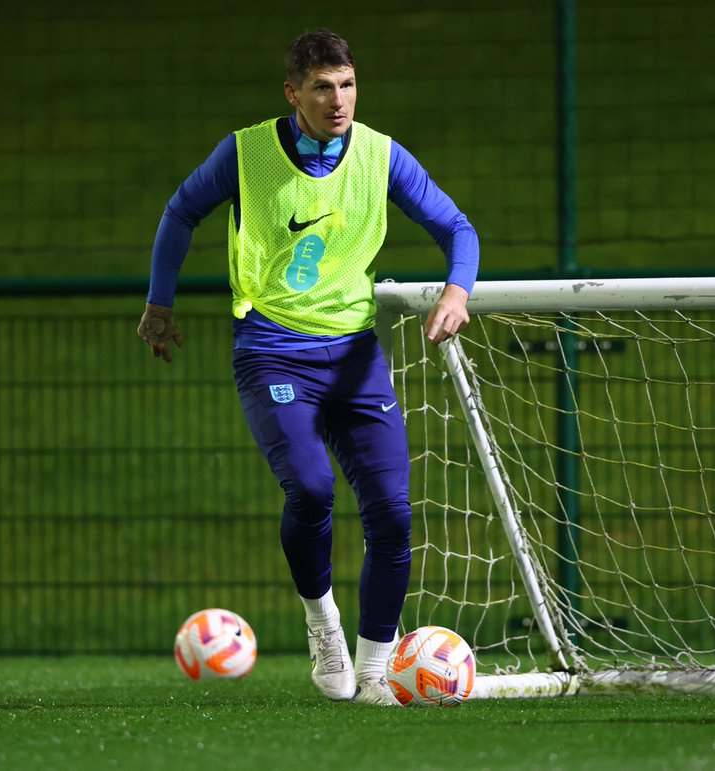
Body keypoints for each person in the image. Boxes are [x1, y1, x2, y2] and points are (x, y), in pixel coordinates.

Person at [137, 28, 478, 706]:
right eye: (322, 87)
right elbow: (182, 210)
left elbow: (457, 229)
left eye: (347, 84)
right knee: (314, 490)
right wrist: (159, 302)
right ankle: (323, 625)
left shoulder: (382, 155)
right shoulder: (244, 152)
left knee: (393, 513)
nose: (338, 99)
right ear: (293, 93)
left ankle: (377, 670)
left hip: (355, 354)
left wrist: (457, 290)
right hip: (271, 350)